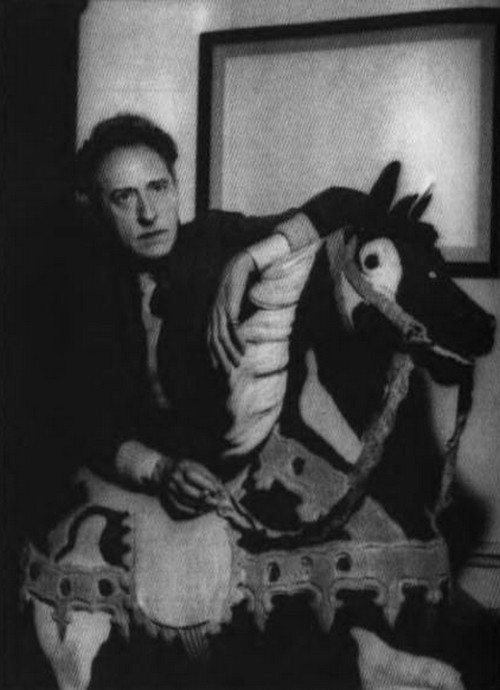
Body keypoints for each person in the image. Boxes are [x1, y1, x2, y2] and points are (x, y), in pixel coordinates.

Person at [65, 112, 327, 520]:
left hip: (266, 477)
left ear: (175, 188)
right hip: (165, 500)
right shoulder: (93, 295)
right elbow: (90, 424)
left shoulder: (214, 239)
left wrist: (245, 261)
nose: (148, 213)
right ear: (99, 210)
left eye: (158, 188)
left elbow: (344, 206)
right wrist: (161, 470)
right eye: (124, 197)